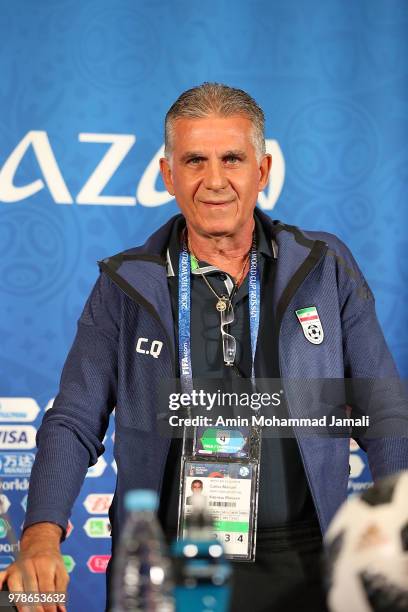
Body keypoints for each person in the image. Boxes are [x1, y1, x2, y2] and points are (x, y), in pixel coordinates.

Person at [1, 83, 407, 612]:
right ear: (169, 174)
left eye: (232, 159)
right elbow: (75, 418)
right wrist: (40, 534)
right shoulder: (128, 283)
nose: (214, 181)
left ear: (261, 171)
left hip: (307, 563)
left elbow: (382, 409)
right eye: (194, 160)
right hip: (164, 566)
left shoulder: (323, 268)